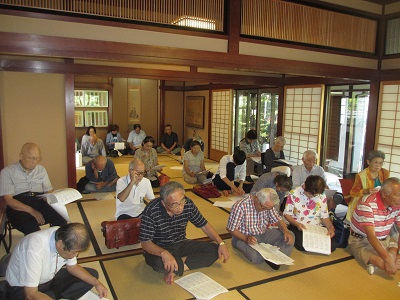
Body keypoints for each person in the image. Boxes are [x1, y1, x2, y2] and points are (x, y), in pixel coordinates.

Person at [140, 181, 230, 285]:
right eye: (174, 204)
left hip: (181, 243)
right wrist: (164, 253)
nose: (180, 207)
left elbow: (204, 225)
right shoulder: (152, 210)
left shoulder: (188, 204)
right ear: (164, 203)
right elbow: (145, 243)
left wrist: (221, 243)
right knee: (158, 264)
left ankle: (175, 268)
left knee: (215, 250)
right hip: (160, 247)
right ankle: (176, 264)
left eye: (182, 201)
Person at [4, 223, 108, 300]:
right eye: (74, 252)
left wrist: (97, 283)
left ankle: (51, 295)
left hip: (48, 279)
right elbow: (30, 294)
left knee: (92, 275)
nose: (76, 255)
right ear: (60, 244)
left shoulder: (64, 235)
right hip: (22, 288)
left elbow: (72, 267)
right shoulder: (34, 249)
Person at [0, 143, 67, 235]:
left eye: (37, 158)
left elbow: (49, 191)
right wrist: (31, 211)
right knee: (31, 227)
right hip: (18, 205)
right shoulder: (7, 172)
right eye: (30, 158)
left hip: (38, 200)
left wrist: (59, 198)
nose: (34, 162)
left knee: (61, 219)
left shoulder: (41, 170)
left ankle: (55, 243)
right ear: (21, 156)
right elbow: (9, 201)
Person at [227, 188, 294, 270]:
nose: (266, 210)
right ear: (257, 199)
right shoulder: (240, 206)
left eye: (269, 208)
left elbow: (277, 219)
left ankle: (276, 260)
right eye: (264, 207)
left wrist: (285, 231)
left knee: (290, 235)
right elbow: (231, 229)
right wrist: (246, 238)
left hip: (263, 234)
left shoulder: (268, 205)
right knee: (257, 258)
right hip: (243, 237)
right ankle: (271, 255)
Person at [349, 177, 400, 275]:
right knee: (383, 263)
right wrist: (388, 259)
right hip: (361, 241)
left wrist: (399, 255)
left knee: (392, 258)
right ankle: (386, 257)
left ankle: (388, 255)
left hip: (385, 240)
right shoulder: (367, 203)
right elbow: (371, 237)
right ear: (385, 194)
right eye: (398, 195)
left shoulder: (397, 204)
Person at [283, 175, 336, 252]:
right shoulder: (294, 193)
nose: (312, 197)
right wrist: (297, 224)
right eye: (310, 194)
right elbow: (286, 214)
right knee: (301, 245)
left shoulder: (321, 195)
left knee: (333, 245)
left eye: (315, 195)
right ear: (304, 186)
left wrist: (330, 228)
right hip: (299, 225)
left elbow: (324, 216)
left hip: (316, 227)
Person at [346, 150, 390, 221]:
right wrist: (366, 191)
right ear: (368, 162)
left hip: (381, 201)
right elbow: (353, 193)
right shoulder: (361, 175)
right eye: (375, 162)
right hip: (365, 202)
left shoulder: (385, 172)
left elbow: (388, 187)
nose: (378, 165)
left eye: (381, 163)